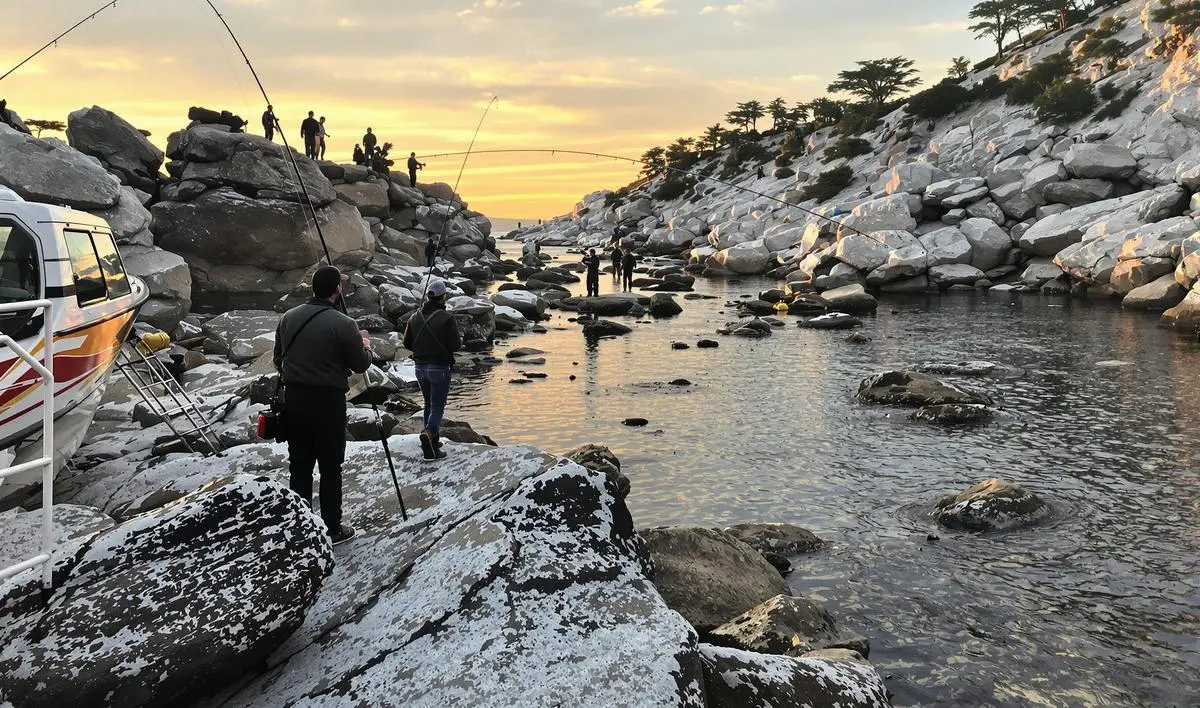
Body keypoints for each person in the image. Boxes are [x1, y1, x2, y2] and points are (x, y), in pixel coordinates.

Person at [273, 266, 372, 545]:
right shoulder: (344, 324)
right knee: (330, 467)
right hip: (328, 403)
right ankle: (332, 527)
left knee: (300, 465)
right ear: (337, 290)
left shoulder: (288, 318)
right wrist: (366, 345)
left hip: (295, 401)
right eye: (340, 285)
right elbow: (360, 364)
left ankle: (302, 525)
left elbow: (278, 359)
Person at [402, 279, 462, 461]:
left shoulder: (414, 317)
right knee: (437, 406)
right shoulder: (447, 318)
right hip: (439, 367)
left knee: (428, 404)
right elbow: (455, 345)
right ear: (443, 297)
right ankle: (428, 433)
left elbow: (407, 343)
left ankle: (432, 445)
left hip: (419, 367)